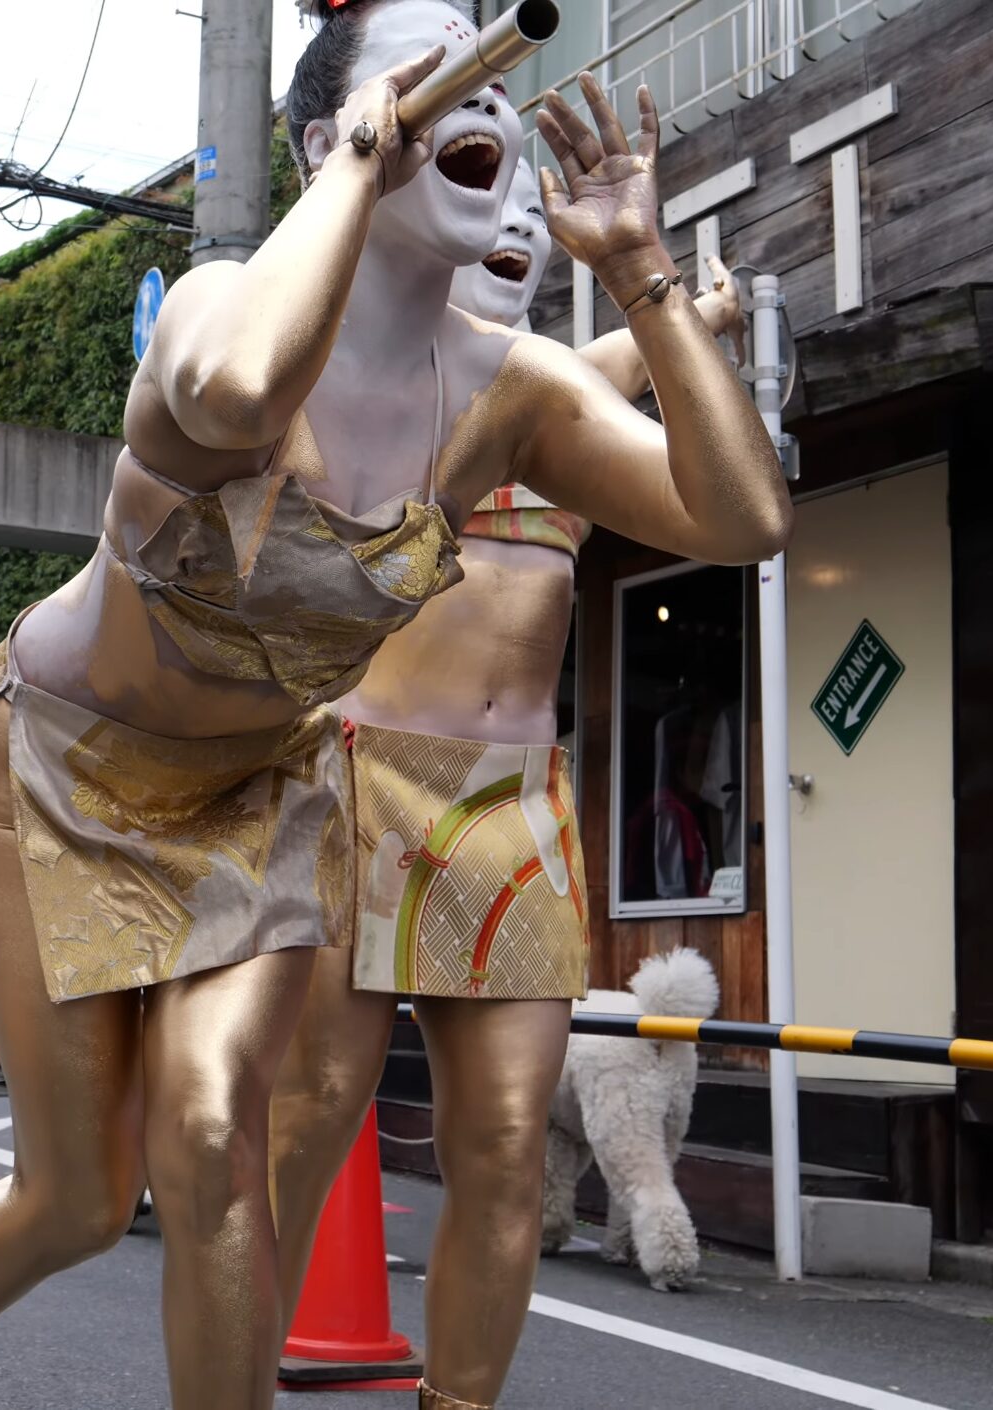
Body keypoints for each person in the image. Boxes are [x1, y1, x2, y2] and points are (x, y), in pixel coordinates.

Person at [0, 4, 787, 1404]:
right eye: (430, 64)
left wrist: (641, 268)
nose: (478, 86)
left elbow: (741, 520)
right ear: (323, 136)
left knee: (210, 1129)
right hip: (53, 761)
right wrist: (357, 161)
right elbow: (236, 394)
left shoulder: (511, 392)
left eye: (489, 66)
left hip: (259, 790)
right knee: (73, 1199)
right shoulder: (213, 301)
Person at [270, 153, 741, 1410]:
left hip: (515, 807)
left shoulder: (558, 406)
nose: (512, 226)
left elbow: (633, 370)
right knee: (308, 1114)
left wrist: (698, 307)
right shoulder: (367, 387)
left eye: (531, 216)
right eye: (486, 203)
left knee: (505, 1143)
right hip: (356, 780)